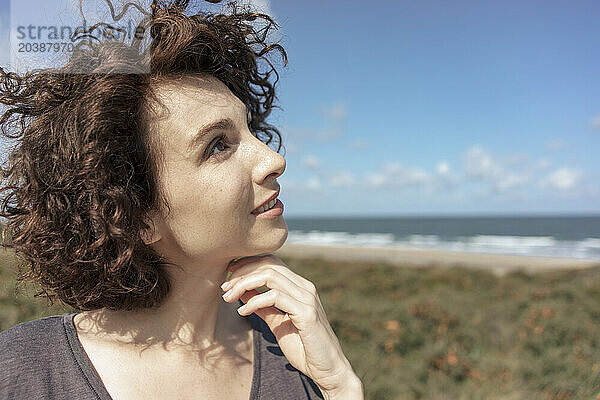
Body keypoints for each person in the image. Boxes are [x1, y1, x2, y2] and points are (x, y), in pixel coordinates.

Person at [0, 0, 364, 399]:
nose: (273, 159)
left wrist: (340, 387)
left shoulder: (295, 357)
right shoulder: (22, 371)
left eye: (249, 129)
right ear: (135, 212)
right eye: (218, 145)